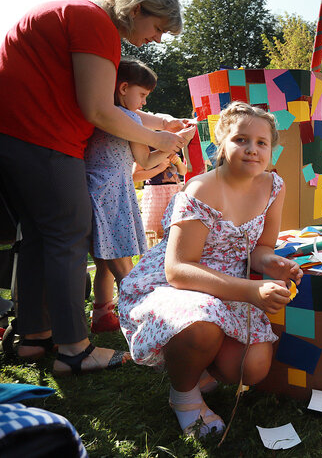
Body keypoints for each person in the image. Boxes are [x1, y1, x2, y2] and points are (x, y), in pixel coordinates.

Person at [0, 0, 188, 376]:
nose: (156, 39)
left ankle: (34, 336)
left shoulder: (80, 16)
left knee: (40, 232)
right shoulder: (95, 24)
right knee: (69, 230)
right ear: (137, 8)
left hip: (8, 128)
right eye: (157, 28)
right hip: (35, 134)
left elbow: (104, 104)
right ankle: (74, 349)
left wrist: (156, 124)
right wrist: (156, 137)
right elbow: (100, 110)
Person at [118, 103, 302, 437]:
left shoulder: (274, 186)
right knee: (201, 325)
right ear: (222, 143)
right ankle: (184, 395)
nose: (252, 149)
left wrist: (274, 262)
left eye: (262, 142)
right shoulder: (202, 188)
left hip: (229, 284)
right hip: (181, 284)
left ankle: (195, 366)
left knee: (253, 366)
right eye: (241, 139)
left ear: (272, 149)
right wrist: (250, 291)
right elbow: (178, 269)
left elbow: (261, 248)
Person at [86, 58, 195, 334]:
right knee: (123, 266)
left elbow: (147, 153)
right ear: (123, 88)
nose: (144, 102)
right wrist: (178, 143)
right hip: (112, 192)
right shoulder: (129, 119)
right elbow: (145, 161)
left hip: (92, 187)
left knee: (103, 262)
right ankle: (145, 316)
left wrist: (169, 140)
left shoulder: (99, 112)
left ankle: (102, 313)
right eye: (143, 95)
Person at [134, 150, 188, 240]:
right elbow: (135, 176)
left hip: (174, 191)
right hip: (156, 193)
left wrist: (178, 162)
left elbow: (183, 172)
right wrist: (159, 168)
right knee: (156, 232)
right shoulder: (146, 150)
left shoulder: (170, 148)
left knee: (176, 227)